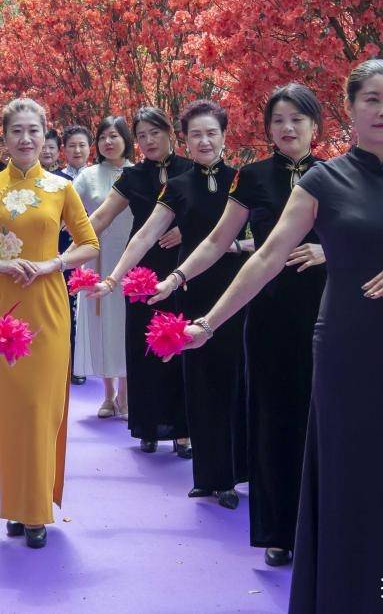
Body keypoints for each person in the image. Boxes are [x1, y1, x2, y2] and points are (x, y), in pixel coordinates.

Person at [177, 60, 383, 613]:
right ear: (350, 109)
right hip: (344, 350)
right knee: (349, 476)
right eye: (371, 100)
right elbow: (266, 257)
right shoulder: (323, 181)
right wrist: (208, 322)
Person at [151, 83, 327, 566]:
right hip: (268, 313)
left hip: (326, 314)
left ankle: (327, 528)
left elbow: (362, 239)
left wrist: (327, 250)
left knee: (324, 421)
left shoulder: (335, 174)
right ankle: (279, 532)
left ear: (315, 125)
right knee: (273, 418)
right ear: (267, 129)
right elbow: (215, 241)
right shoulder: (253, 177)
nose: (288, 128)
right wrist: (177, 277)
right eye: (278, 121)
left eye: (297, 119)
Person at [0, 98, 100, 550]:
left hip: (49, 304)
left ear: (45, 135)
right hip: (4, 304)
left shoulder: (62, 188)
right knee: (8, 410)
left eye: (33, 130)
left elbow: (89, 244)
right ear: (5, 138)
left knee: (41, 408)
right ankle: (16, 506)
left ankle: (36, 510)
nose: (26, 138)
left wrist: (55, 263)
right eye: (17, 130)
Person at [92, 100, 248, 499]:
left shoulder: (242, 180)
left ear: (224, 136)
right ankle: (210, 477)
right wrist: (113, 277)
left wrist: (235, 246)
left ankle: (239, 474)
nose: (204, 141)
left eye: (211, 133)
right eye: (197, 134)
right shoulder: (177, 186)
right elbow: (144, 234)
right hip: (188, 288)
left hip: (238, 289)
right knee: (199, 381)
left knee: (237, 381)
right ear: (187, 139)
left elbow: (264, 238)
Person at [70, 107, 190, 454]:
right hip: (141, 270)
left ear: (170, 133)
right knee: (143, 348)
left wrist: (187, 230)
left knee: (183, 348)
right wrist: (61, 256)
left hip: (185, 266)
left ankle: (183, 431)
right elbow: (100, 218)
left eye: (155, 133)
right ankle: (148, 426)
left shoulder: (189, 169)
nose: (149, 141)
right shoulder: (133, 177)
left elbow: (215, 217)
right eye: (142, 135)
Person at [71, 117, 134, 417]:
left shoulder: (137, 173)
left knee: (125, 324)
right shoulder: (88, 176)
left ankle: (126, 395)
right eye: (103, 137)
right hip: (96, 259)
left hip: (130, 259)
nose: (108, 142)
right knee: (101, 324)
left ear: (126, 139)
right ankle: (108, 395)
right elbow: (66, 210)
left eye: (114, 136)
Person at [55, 125, 92, 384]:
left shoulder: (98, 175)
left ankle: (85, 363)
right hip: (63, 249)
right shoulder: (55, 180)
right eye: (72, 146)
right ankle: (67, 363)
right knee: (66, 307)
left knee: (87, 306)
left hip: (92, 249)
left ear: (90, 148)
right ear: (64, 150)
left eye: (82, 145)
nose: (77, 150)